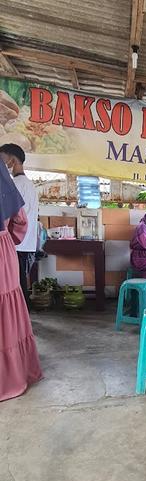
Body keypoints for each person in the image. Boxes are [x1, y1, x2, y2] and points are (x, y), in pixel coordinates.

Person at [0, 161, 42, 401]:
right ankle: (12, 373)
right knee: (7, 312)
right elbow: (21, 222)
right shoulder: (7, 183)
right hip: (4, 251)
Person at [0, 144, 39, 307]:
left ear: (12, 160)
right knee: (20, 284)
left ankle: (21, 321)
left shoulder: (13, 184)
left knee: (16, 286)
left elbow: (16, 218)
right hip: (27, 243)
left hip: (16, 243)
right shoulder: (30, 185)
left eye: (2, 159)